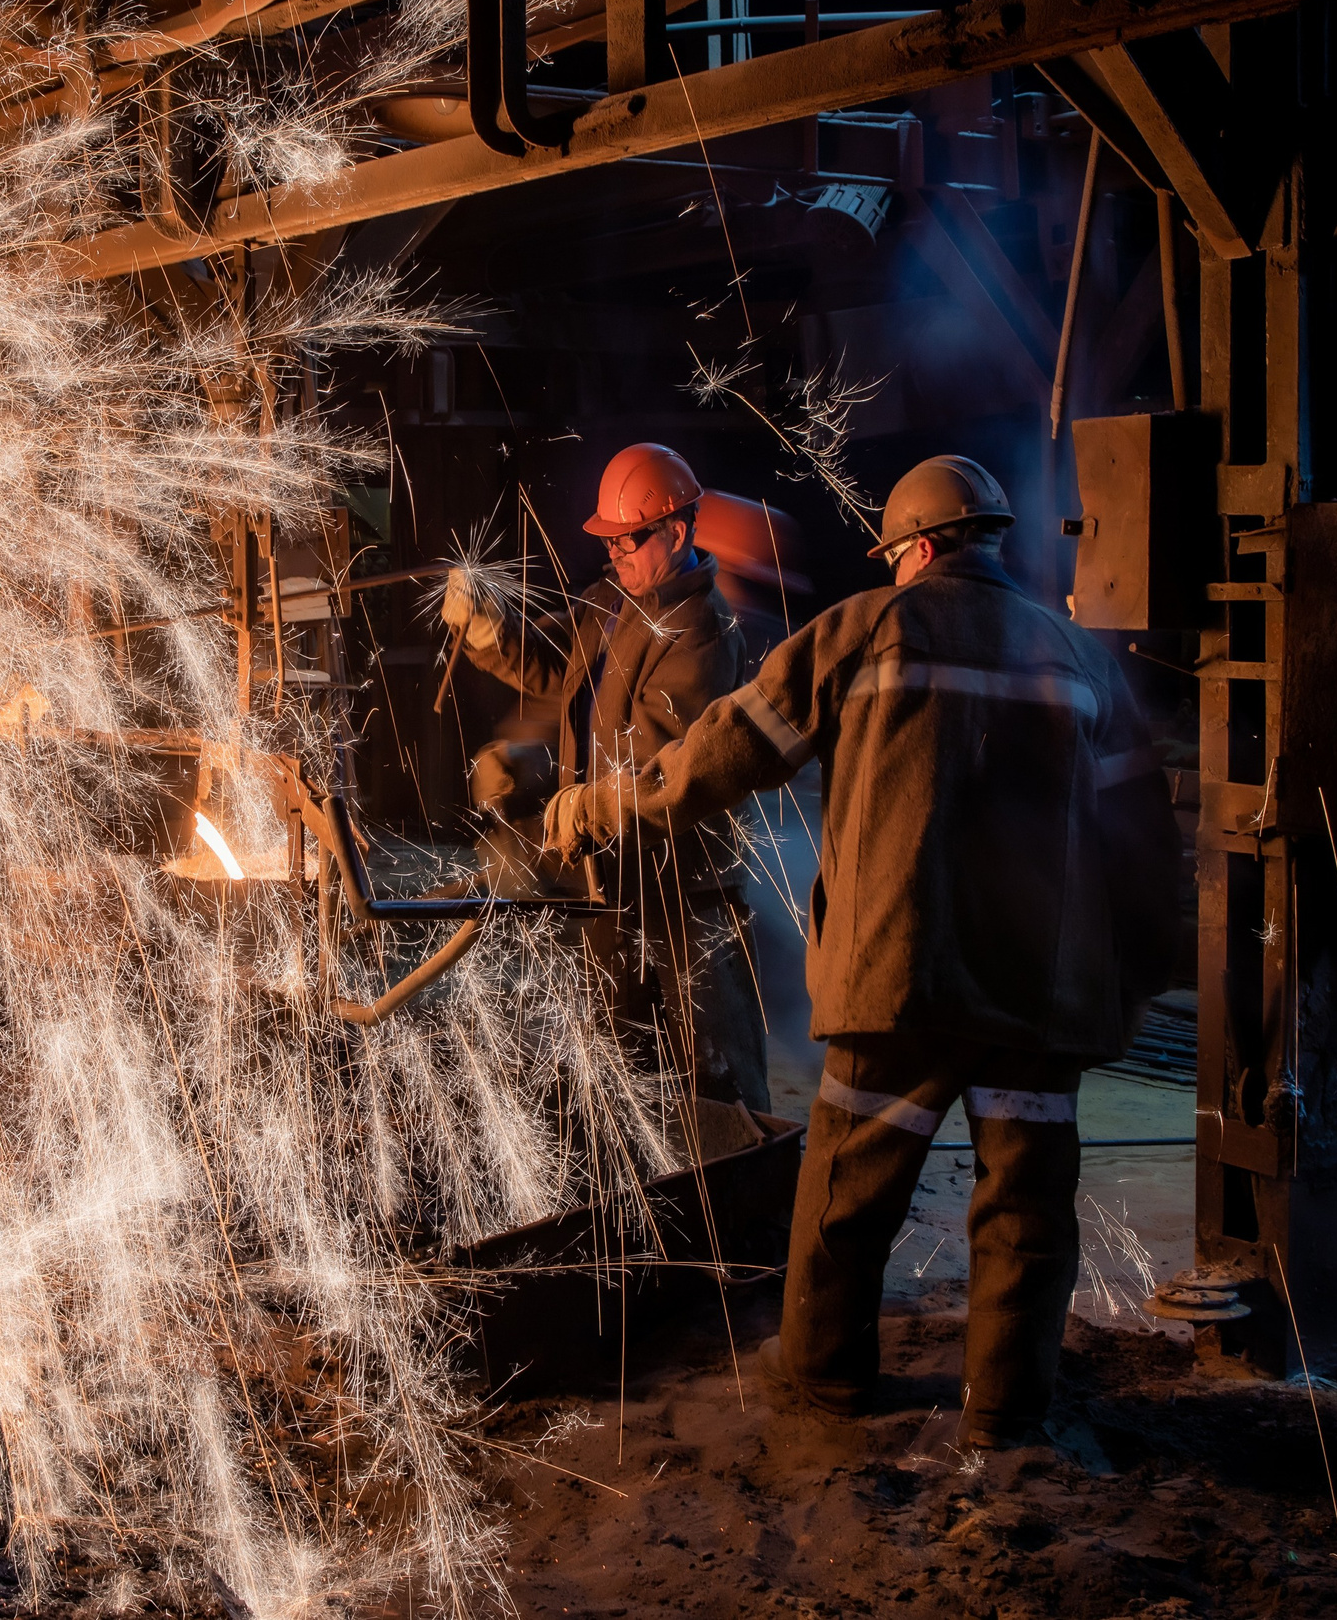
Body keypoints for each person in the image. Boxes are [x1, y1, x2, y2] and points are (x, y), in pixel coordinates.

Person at [548, 455, 1181, 1448]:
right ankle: (1006, 1413)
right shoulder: (1077, 657)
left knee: (848, 1197)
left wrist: (604, 801)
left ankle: (825, 1379)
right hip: (1039, 996)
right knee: (1025, 1209)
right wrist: (1132, 981)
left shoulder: (865, 629)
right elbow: (1144, 848)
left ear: (917, 548)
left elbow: (723, 752)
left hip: (900, 975)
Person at [442, 443, 768, 1111]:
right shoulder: (613, 602)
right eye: (610, 541)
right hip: (615, 881)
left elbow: (656, 765)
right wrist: (488, 630)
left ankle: (741, 1199)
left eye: (629, 540)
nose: (614, 554)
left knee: (715, 1081)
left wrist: (571, 802)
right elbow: (551, 666)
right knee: (626, 1069)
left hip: (686, 895)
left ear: (676, 532)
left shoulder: (703, 633)